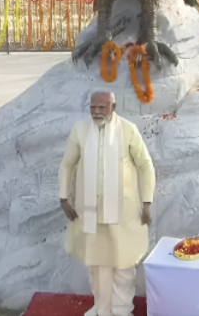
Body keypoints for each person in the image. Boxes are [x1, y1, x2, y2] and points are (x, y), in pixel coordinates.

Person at [59, 90, 156, 316]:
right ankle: (101, 309)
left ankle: (121, 311)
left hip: (124, 211)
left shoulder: (128, 130)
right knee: (97, 263)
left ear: (113, 107)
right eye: (93, 107)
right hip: (89, 211)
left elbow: (145, 165)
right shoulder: (80, 130)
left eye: (102, 107)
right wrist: (64, 198)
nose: (96, 112)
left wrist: (147, 202)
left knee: (123, 263)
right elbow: (67, 165)